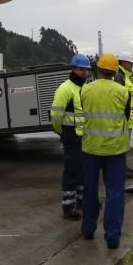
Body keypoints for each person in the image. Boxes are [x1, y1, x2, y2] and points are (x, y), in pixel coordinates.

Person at [81, 53, 132, 249]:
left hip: (90, 149)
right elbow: (126, 117)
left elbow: (83, 113)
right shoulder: (123, 92)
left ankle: (88, 230)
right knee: (115, 193)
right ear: (114, 71)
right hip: (116, 151)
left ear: (97, 69)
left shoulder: (85, 90)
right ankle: (112, 237)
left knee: (90, 191)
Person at [50, 53, 90, 220]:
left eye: (86, 70)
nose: (85, 73)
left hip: (84, 137)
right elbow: (56, 115)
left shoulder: (85, 88)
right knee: (72, 172)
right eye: (81, 69)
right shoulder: (65, 89)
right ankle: (68, 207)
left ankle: (83, 202)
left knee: (83, 170)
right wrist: (60, 131)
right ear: (73, 69)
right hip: (71, 137)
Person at [115, 52, 133, 180]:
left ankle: (123, 167)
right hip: (124, 120)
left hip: (128, 119)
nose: (132, 65)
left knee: (125, 146)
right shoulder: (119, 77)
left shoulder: (125, 76)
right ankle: (121, 169)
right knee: (121, 146)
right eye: (130, 63)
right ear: (123, 63)